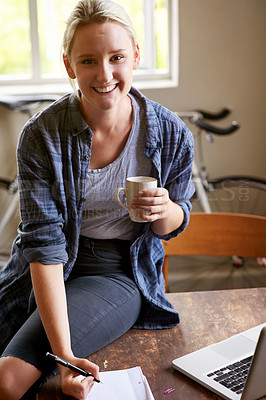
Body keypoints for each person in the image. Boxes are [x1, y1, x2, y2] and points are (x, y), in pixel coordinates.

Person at [0, 0, 194, 399]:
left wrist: (166, 210)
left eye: (117, 57)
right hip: (39, 268)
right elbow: (44, 248)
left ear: (135, 56)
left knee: (7, 380)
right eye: (88, 60)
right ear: (70, 66)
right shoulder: (41, 135)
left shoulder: (172, 133)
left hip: (115, 273)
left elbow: (173, 223)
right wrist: (64, 356)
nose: (104, 74)